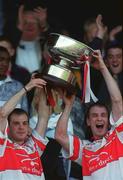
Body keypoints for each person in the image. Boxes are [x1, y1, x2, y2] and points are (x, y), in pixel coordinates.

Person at [55, 50, 123, 180]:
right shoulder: (84, 149)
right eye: (94, 115)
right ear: (88, 122)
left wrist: (103, 66)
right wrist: (68, 105)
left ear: (108, 121)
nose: (99, 118)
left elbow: (117, 100)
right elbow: (60, 136)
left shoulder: (118, 137)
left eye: (103, 115)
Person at [0, 76, 51, 180]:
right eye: (16, 123)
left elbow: (44, 116)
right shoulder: (3, 146)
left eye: (24, 123)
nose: (21, 127)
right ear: (7, 127)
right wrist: (27, 87)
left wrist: (43, 85)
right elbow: (3, 113)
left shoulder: (34, 147)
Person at [0, 46, 28, 112]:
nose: (5, 64)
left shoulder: (18, 86)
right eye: (1, 59)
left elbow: (24, 114)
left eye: (7, 60)